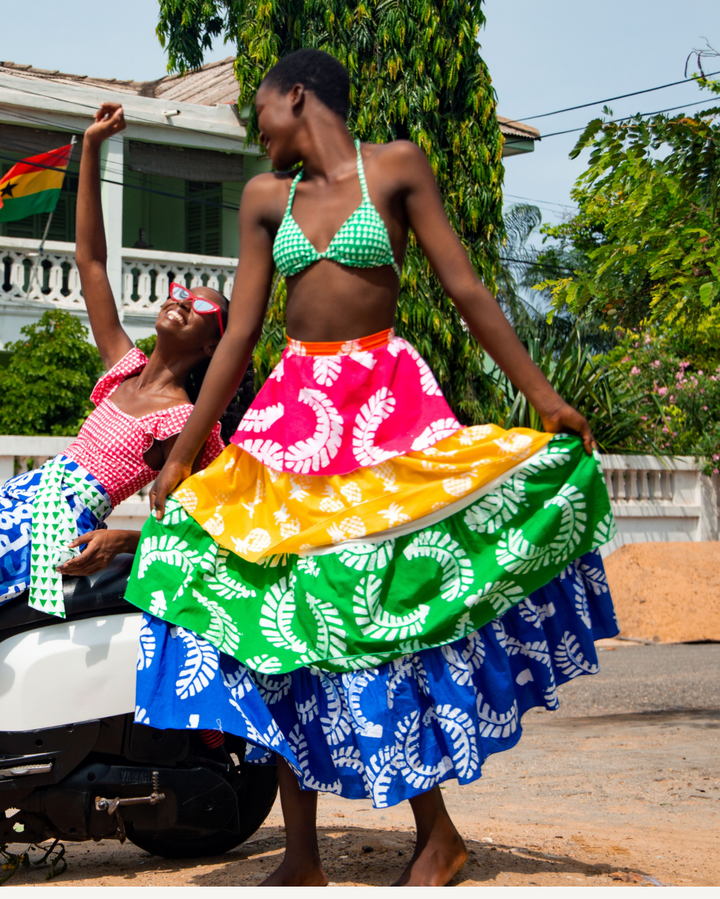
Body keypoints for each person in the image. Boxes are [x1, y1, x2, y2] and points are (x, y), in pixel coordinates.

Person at [123, 50, 618, 886]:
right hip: (291, 417)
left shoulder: (394, 165)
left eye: (263, 113)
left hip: (386, 408)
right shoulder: (262, 199)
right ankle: (305, 853)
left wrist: (545, 397)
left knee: (391, 624)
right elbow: (240, 332)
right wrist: (180, 457)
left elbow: (465, 289)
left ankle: (438, 833)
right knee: (277, 623)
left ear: (297, 97)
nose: (258, 132)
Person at [0, 102, 246, 617]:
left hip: (56, 533)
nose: (179, 300)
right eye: (181, 291)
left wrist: (123, 540)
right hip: (16, 500)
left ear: (211, 347)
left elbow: (211, 521)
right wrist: (92, 146)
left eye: (201, 305)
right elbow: (90, 261)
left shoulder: (186, 422)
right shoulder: (124, 367)